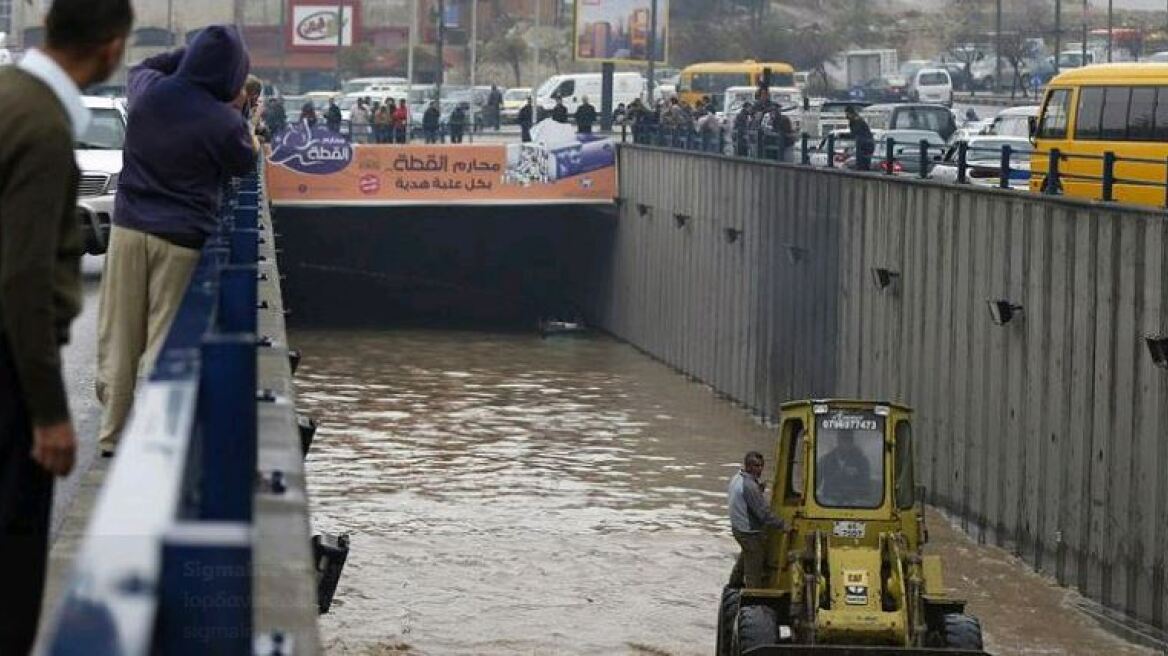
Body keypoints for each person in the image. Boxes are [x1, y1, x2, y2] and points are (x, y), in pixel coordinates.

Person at [0, 2, 132, 649]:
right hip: (10, 376)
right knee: (14, 559)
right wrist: (50, 413)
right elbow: (23, 280)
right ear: (111, 49)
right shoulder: (45, 126)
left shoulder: (7, 96)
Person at [96, 25, 256, 458]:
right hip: (183, 238)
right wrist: (240, 109)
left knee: (120, 334)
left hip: (129, 230)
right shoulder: (222, 120)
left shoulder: (148, 91)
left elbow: (142, 64)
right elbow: (245, 162)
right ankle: (153, 439)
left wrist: (186, 56)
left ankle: (111, 436)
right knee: (163, 339)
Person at [727, 451, 785, 589]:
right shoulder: (750, 487)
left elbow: (744, 499)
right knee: (755, 565)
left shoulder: (737, 478)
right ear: (749, 466)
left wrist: (758, 490)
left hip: (738, 528)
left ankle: (733, 585)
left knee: (746, 555)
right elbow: (764, 514)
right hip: (749, 532)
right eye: (756, 466)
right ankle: (753, 595)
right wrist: (783, 525)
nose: (760, 469)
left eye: (761, 466)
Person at [817, 433, 872, 506]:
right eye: (842, 440)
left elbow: (866, 485)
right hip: (829, 501)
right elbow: (816, 481)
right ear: (838, 441)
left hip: (854, 502)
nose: (845, 445)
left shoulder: (862, 461)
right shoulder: (826, 459)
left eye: (848, 441)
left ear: (852, 443)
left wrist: (856, 476)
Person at [846, 105, 875, 171]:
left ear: (851, 113)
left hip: (865, 144)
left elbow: (856, 132)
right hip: (863, 143)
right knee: (862, 160)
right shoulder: (855, 121)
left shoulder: (858, 121)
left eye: (847, 114)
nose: (846, 116)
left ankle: (862, 169)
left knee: (864, 161)